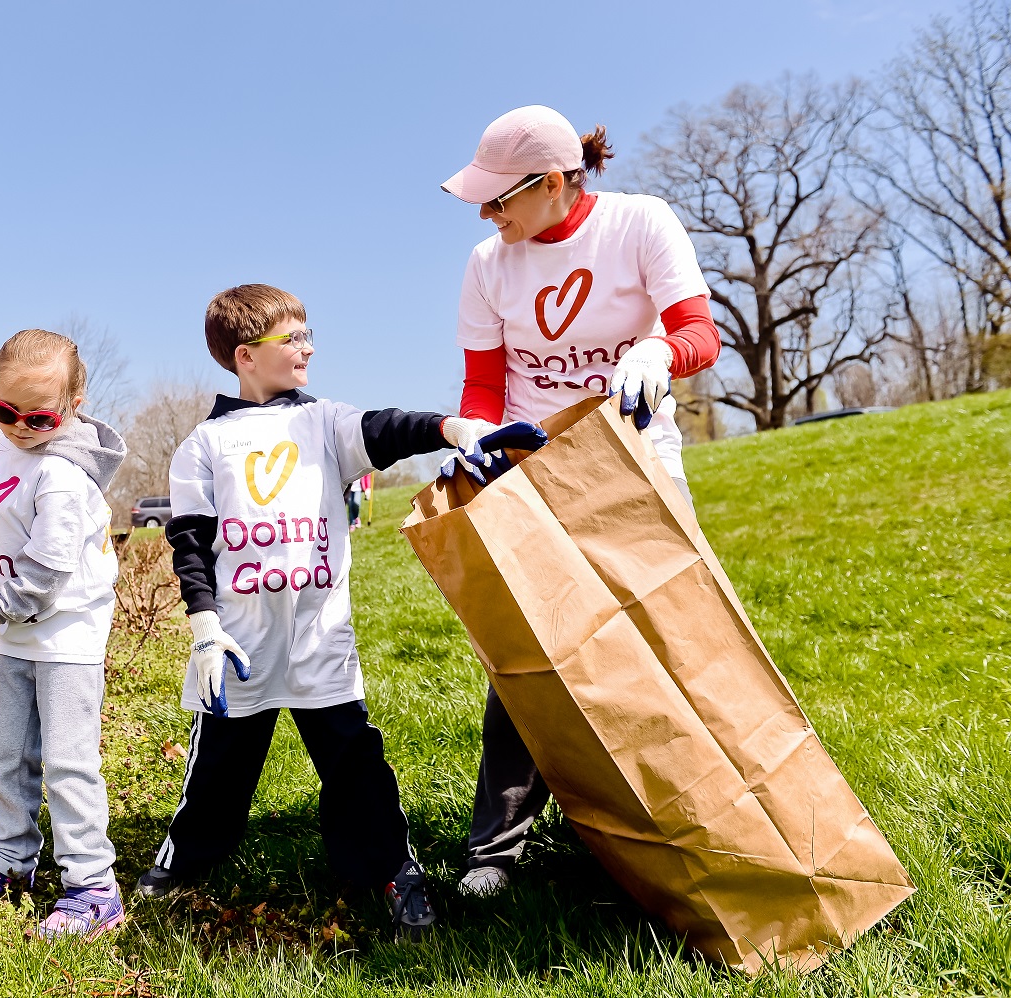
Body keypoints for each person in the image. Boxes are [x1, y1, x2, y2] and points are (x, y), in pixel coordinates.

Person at [132, 284, 495, 940]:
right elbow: (191, 544)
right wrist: (206, 628)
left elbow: (385, 428)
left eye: (307, 334)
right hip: (239, 645)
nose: (308, 347)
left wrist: (452, 427)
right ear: (245, 355)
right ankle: (181, 862)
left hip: (319, 637)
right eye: (291, 339)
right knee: (218, 770)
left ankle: (392, 872)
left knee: (355, 763)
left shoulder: (325, 421)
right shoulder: (204, 446)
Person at [438, 105, 720, 898]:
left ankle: (681, 821)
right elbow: (485, 381)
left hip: (636, 460)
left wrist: (661, 350)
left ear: (556, 183)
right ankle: (496, 849)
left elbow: (700, 331)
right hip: (533, 469)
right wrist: (478, 433)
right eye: (483, 204)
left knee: (670, 635)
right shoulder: (488, 263)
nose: (490, 217)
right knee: (527, 652)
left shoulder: (639, 224)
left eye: (501, 200)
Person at [0, 328, 129, 940]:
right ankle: (13, 865)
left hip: (65, 636)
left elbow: (42, 576)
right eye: (3, 410)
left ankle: (93, 886)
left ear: (73, 404)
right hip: (16, 630)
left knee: (68, 763)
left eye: (38, 416)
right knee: (7, 754)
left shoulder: (64, 476)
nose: (18, 427)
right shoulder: (4, 446)